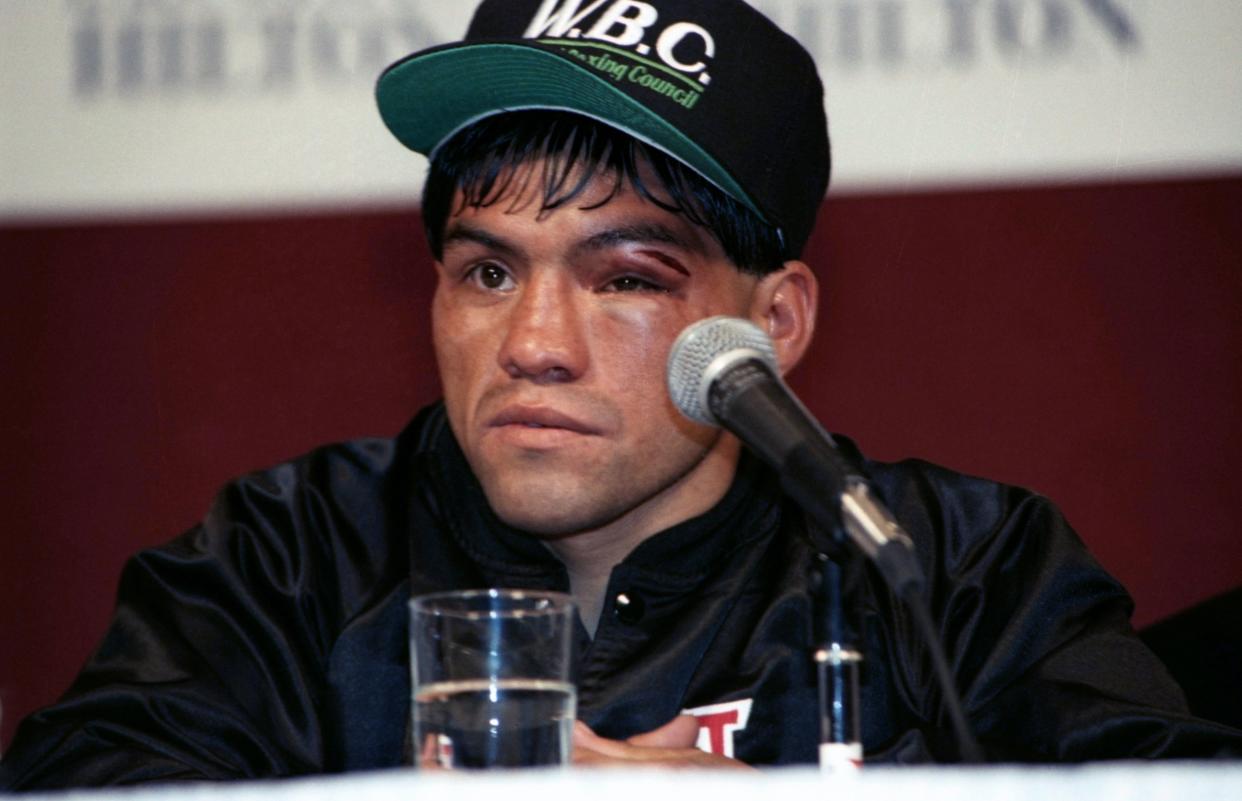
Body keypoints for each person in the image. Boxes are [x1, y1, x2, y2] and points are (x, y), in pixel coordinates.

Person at [2, 0, 1238, 788]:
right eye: (487, 269)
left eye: (625, 279)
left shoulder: (955, 568)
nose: (534, 343)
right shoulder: (286, 557)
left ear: (775, 320)